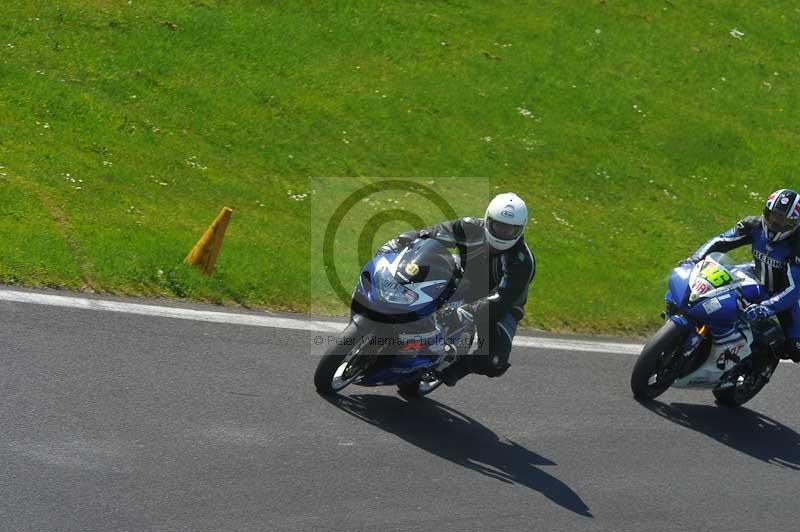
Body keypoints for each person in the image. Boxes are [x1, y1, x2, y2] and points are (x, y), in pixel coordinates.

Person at [380, 192, 536, 385]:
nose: (503, 233)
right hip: (464, 277)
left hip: (501, 306)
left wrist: (468, 311)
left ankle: (458, 366)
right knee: (425, 267)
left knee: (494, 362)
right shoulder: (470, 226)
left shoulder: (522, 261)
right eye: (498, 226)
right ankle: (396, 315)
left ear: (521, 229)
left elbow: (504, 298)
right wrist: (407, 239)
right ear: (488, 220)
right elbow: (435, 233)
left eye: (509, 230)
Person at [684, 188, 800, 362]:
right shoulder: (753, 225)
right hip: (756, 275)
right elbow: (721, 241)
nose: (775, 223)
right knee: (706, 292)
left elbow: (793, 288)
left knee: (794, 350)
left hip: (785, 295)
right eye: (773, 216)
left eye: (783, 220)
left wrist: (767, 307)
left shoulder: (796, 244)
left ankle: (756, 360)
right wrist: (694, 258)